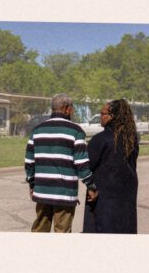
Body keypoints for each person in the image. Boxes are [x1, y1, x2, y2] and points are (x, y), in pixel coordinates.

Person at [25, 93, 98, 232]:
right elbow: (81, 164)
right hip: (65, 193)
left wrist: (32, 184)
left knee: (39, 231)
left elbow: (29, 162)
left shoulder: (37, 130)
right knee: (62, 233)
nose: (73, 111)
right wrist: (91, 186)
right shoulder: (76, 131)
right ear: (67, 109)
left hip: (42, 192)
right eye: (72, 108)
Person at [83, 99, 140, 233]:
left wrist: (91, 187)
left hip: (104, 197)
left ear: (112, 117)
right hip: (127, 193)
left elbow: (86, 166)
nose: (100, 118)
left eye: (103, 114)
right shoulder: (131, 139)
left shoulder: (100, 139)